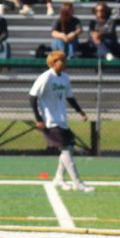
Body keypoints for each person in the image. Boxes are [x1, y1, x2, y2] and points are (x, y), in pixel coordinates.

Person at [30, 51, 92, 193]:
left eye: (64, 60)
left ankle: (58, 178)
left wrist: (80, 111)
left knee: (69, 147)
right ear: (53, 63)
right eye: (60, 60)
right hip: (49, 120)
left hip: (61, 119)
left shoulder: (65, 78)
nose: (63, 63)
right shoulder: (46, 77)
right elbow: (32, 97)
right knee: (65, 149)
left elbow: (70, 97)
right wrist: (38, 119)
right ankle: (77, 182)